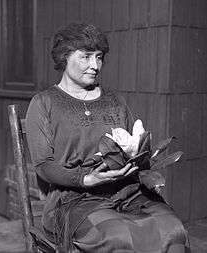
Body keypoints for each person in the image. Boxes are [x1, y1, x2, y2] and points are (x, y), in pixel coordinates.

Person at [26, 23, 189, 253]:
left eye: (99, 57)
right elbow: (43, 166)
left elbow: (136, 144)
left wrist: (139, 158)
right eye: (86, 57)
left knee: (172, 230)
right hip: (75, 199)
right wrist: (86, 179)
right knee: (118, 236)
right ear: (65, 57)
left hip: (128, 192)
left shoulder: (115, 100)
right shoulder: (45, 103)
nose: (95, 65)